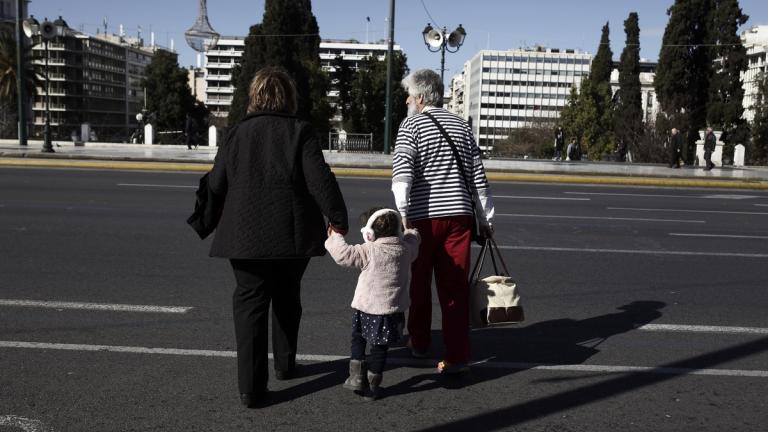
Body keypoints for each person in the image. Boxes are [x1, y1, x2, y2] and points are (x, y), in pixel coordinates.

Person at [207, 66, 349, 408]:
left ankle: (251, 390)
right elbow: (321, 180)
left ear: (254, 96)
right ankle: (285, 365)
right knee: (287, 298)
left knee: (250, 304)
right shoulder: (299, 130)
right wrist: (338, 219)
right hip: (291, 235)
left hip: (242, 235)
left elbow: (216, 183)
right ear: (289, 98)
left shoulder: (236, 133)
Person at [392, 69, 495, 374]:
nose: (408, 100)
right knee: (454, 288)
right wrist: (486, 219)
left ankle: (420, 342)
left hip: (423, 219)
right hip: (460, 217)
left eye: (410, 94)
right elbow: (479, 178)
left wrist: (403, 217)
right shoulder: (462, 126)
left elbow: (402, 178)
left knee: (419, 284)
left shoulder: (410, 125)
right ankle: (457, 355)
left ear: (421, 97)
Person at [325, 207, 420, 400]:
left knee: (358, 338)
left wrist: (335, 235)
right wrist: (411, 230)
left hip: (366, 308)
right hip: (390, 311)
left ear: (369, 233)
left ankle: (356, 377)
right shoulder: (405, 250)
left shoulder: (369, 250)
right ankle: (373, 387)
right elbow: (413, 239)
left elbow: (343, 254)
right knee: (380, 348)